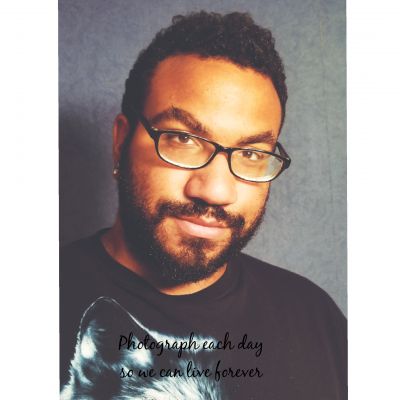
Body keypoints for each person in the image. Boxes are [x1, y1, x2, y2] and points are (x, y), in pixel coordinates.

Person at [60, 11, 347, 400]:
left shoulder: (317, 320)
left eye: (251, 153)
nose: (215, 190)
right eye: (183, 139)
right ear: (121, 142)